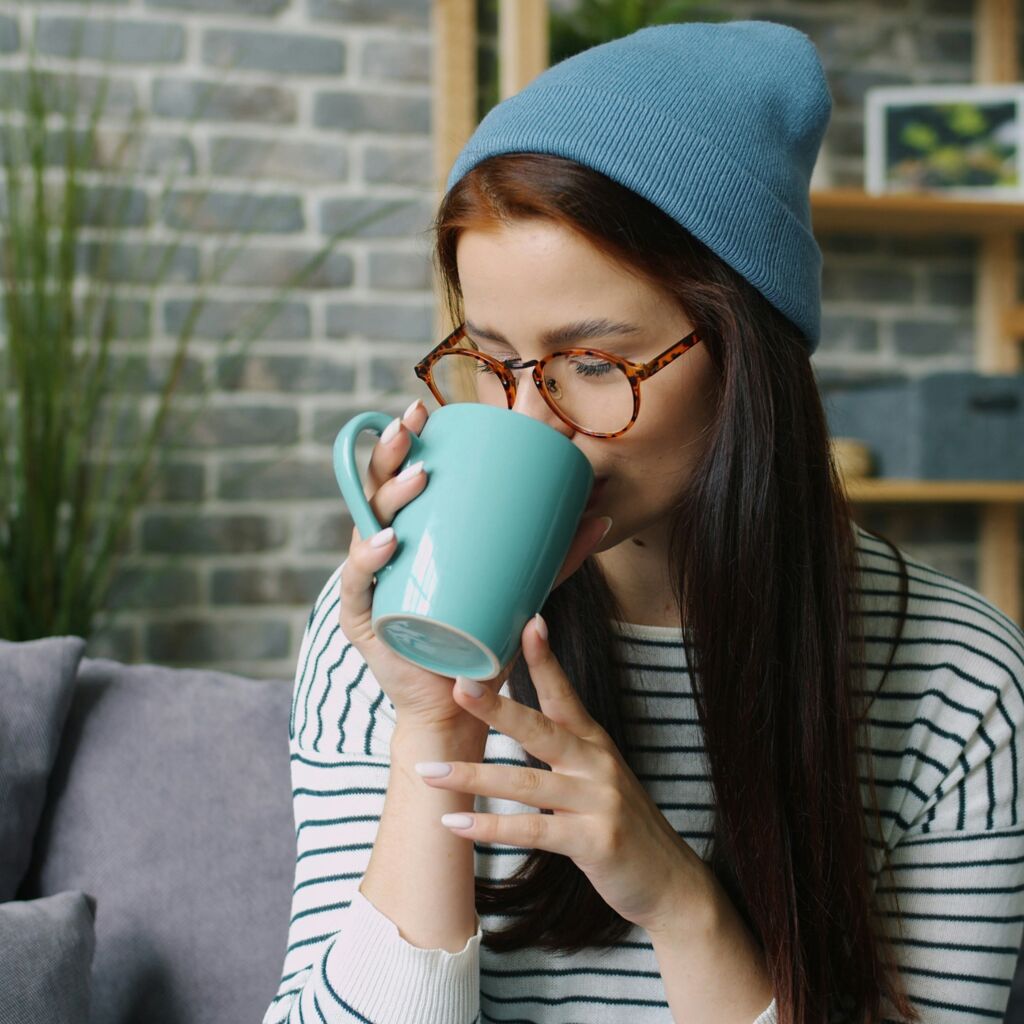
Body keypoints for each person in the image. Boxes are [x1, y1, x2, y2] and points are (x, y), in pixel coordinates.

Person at [263, 20, 1024, 1024]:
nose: (528, 422)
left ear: (746, 353)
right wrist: (430, 725)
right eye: (491, 359)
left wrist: (680, 903)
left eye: (593, 364)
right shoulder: (388, 610)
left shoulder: (961, 683)